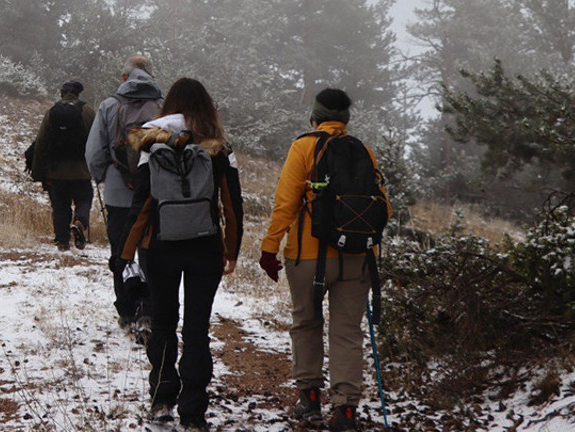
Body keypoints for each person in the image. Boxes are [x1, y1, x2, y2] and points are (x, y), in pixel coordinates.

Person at [258, 88, 390, 431]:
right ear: (345, 119)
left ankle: (310, 399)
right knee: (347, 332)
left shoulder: (303, 146)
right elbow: (383, 208)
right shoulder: (364, 151)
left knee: (306, 322)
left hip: (308, 255)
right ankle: (346, 411)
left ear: (313, 117)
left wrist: (269, 247)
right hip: (357, 257)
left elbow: (286, 203)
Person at [120, 77, 244, 432]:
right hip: (205, 248)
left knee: (162, 322)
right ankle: (193, 411)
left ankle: (161, 399)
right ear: (206, 106)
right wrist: (231, 249)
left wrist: (126, 252)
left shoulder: (151, 141)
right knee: (196, 327)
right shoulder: (218, 144)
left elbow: (142, 202)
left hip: (159, 247)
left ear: (169, 104)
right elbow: (232, 204)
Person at [85, 55, 164, 328]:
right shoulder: (163, 108)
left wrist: (101, 176)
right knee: (152, 251)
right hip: (156, 193)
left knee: (121, 250)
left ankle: (128, 310)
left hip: (119, 192)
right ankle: (151, 309)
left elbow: (95, 151)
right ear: (151, 75)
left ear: (124, 77)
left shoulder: (110, 106)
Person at [29, 80, 96, 250]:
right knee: (84, 199)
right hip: (82, 170)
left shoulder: (52, 112)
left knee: (60, 206)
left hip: (56, 171)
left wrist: (38, 172)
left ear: (62, 93)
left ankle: (62, 241)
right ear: (78, 93)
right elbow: (97, 140)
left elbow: (41, 143)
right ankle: (80, 222)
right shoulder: (88, 111)